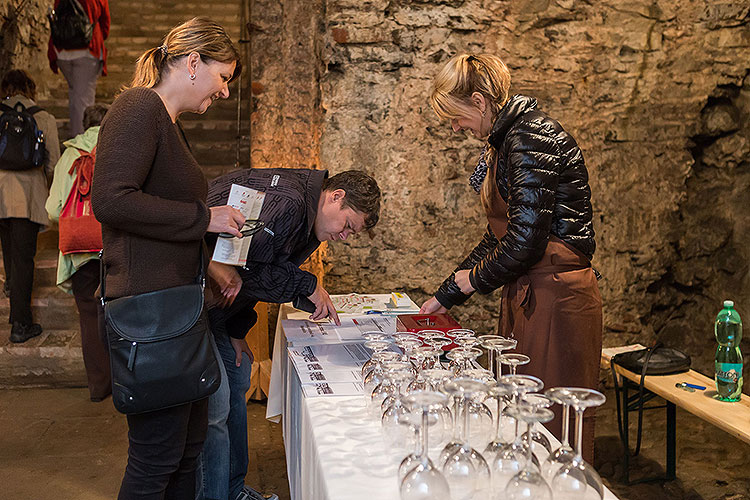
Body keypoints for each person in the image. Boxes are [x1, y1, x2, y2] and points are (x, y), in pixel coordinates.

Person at [90, 17, 245, 499]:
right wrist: (205, 220)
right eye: (223, 77)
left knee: (187, 450)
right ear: (193, 62)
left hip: (177, 307)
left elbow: (160, 211)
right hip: (150, 312)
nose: (223, 92)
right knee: (157, 457)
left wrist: (208, 261)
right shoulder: (138, 108)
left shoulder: (170, 125)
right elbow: (111, 200)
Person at [420, 53, 602, 461]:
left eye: (457, 116)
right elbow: (498, 234)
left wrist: (472, 280)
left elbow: (524, 242)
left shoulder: (529, 137)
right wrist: (447, 293)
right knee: (523, 419)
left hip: (556, 297)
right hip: (532, 290)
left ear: (480, 102)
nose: (456, 127)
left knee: (550, 424)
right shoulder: (507, 140)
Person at [200, 168, 381, 500]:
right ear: (336, 196)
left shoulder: (308, 217)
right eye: (347, 226)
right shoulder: (291, 203)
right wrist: (308, 285)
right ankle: (212, 494)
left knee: (239, 376)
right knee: (216, 404)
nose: (344, 237)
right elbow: (248, 267)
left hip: (218, 307)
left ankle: (232, 489)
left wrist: (237, 329)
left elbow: (251, 267)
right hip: (190, 297)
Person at [45, 103, 111, 401]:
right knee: (119, 313)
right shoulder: (118, 150)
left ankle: (99, 387)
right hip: (114, 247)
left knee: (88, 316)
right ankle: (128, 385)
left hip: (81, 253)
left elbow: (52, 209)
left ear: (84, 125)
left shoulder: (69, 155)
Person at [0, 69, 60, 343]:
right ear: (30, 88)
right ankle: (21, 324)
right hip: (28, 195)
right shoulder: (44, 117)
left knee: (8, 243)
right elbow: (53, 163)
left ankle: (11, 284)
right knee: (25, 258)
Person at [47, 0, 110, 137]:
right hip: (87, 50)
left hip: (62, 51)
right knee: (83, 101)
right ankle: (83, 144)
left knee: (75, 95)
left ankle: (76, 137)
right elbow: (105, 24)